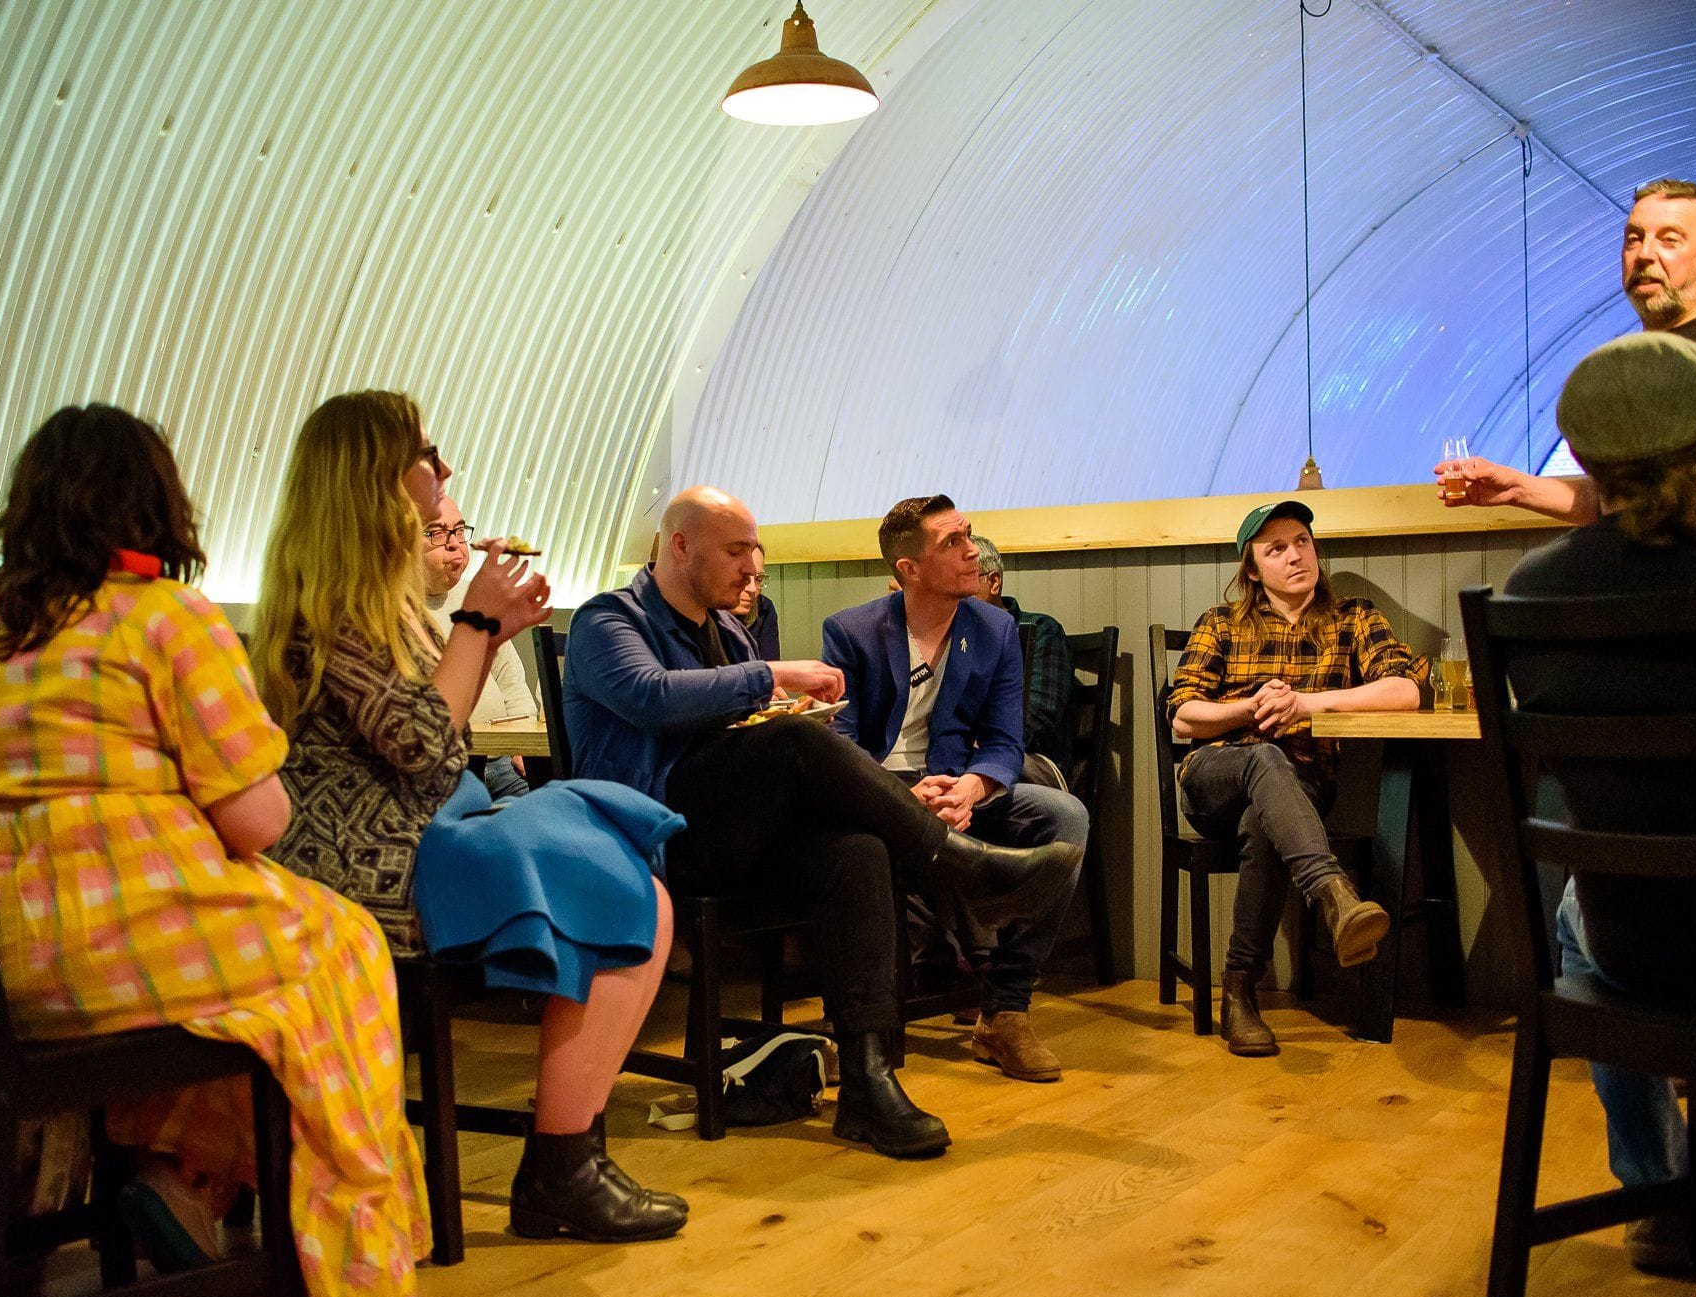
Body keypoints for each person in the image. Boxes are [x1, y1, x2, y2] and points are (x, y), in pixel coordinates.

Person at [0, 405, 427, 1297]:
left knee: (255, 991)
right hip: (108, 942)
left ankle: (182, 1180)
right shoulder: (163, 618)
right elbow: (258, 820)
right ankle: (343, 1259)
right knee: (342, 948)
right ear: (158, 502)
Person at [252, 390, 687, 1242]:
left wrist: (489, 633)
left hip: (423, 834)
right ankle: (561, 1165)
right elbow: (426, 748)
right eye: (426, 453)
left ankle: (566, 1157)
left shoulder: (371, 599)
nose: (445, 466)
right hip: (369, 867)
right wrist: (478, 620)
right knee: (627, 888)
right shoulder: (332, 607)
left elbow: (435, 739)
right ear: (376, 476)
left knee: (625, 878)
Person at [561, 485, 1080, 1157]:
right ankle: (963, 866)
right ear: (680, 546)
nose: (754, 568)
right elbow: (649, 695)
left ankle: (867, 1083)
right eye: (737, 551)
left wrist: (777, 703)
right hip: (652, 834)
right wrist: (772, 677)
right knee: (795, 741)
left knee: (857, 848)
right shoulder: (608, 619)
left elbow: (745, 728)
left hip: (733, 833)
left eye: (756, 551)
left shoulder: (728, 632)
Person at [1500, 331, 1696, 1273]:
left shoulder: (1530, 591)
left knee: (1576, 904)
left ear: (1581, 454)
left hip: (1636, 952)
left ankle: (1663, 1194)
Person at [821, 500, 1089, 1083]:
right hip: (881, 789)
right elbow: (840, 743)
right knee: (856, 839)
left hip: (955, 786)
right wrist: (898, 796)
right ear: (909, 569)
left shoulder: (994, 628)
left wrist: (972, 786)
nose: (972, 551)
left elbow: (1005, 740)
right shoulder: (852, 630)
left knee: (1065, 816)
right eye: (952, 543)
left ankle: (1006, 1011)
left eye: (969, 536)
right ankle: (861, 1018)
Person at [1166, 501, 1420, 1057]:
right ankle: (1333, 894)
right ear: (1253, 569)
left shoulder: (1353, 617)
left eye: (1302, 541)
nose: (1295, 555)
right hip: (1215, 777)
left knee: (1266, 820)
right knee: (1263, 757)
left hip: (1302, 782)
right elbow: (1183, 715)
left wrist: (1307, 704)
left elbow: (1405, 690)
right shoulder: (1221, 622)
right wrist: (1252, 707)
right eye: (1276, 548)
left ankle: (1239, 992)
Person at [1436, 179, 1696, 529]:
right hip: (1654, 568)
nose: (1644, 254)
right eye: (1633, 239)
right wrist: (1516, 488)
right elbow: (1616, 503)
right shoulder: (1632, 360)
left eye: (1669, 240)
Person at [422, 493, 537, 801]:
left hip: (504, 762)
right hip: (444, 770)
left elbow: (511, 681)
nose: (455, 544)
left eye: (459, 531)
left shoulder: (475, 596)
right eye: (437, 533)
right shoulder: (390, 610)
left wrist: (522, 749)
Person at [971, 532, 1073, 769]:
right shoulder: (953, 637)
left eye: (962, 581)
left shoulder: (1040, 630)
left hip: (1031, 758)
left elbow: (1038, 719)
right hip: (969, 755)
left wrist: (974, 740)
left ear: (993, 582)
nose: (951, 594)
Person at [729, 546, 781, 661]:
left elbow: (768, 667)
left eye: (758, 579)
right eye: (743, 577)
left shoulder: (764, 608)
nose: (752, 589)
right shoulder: (699, 615)